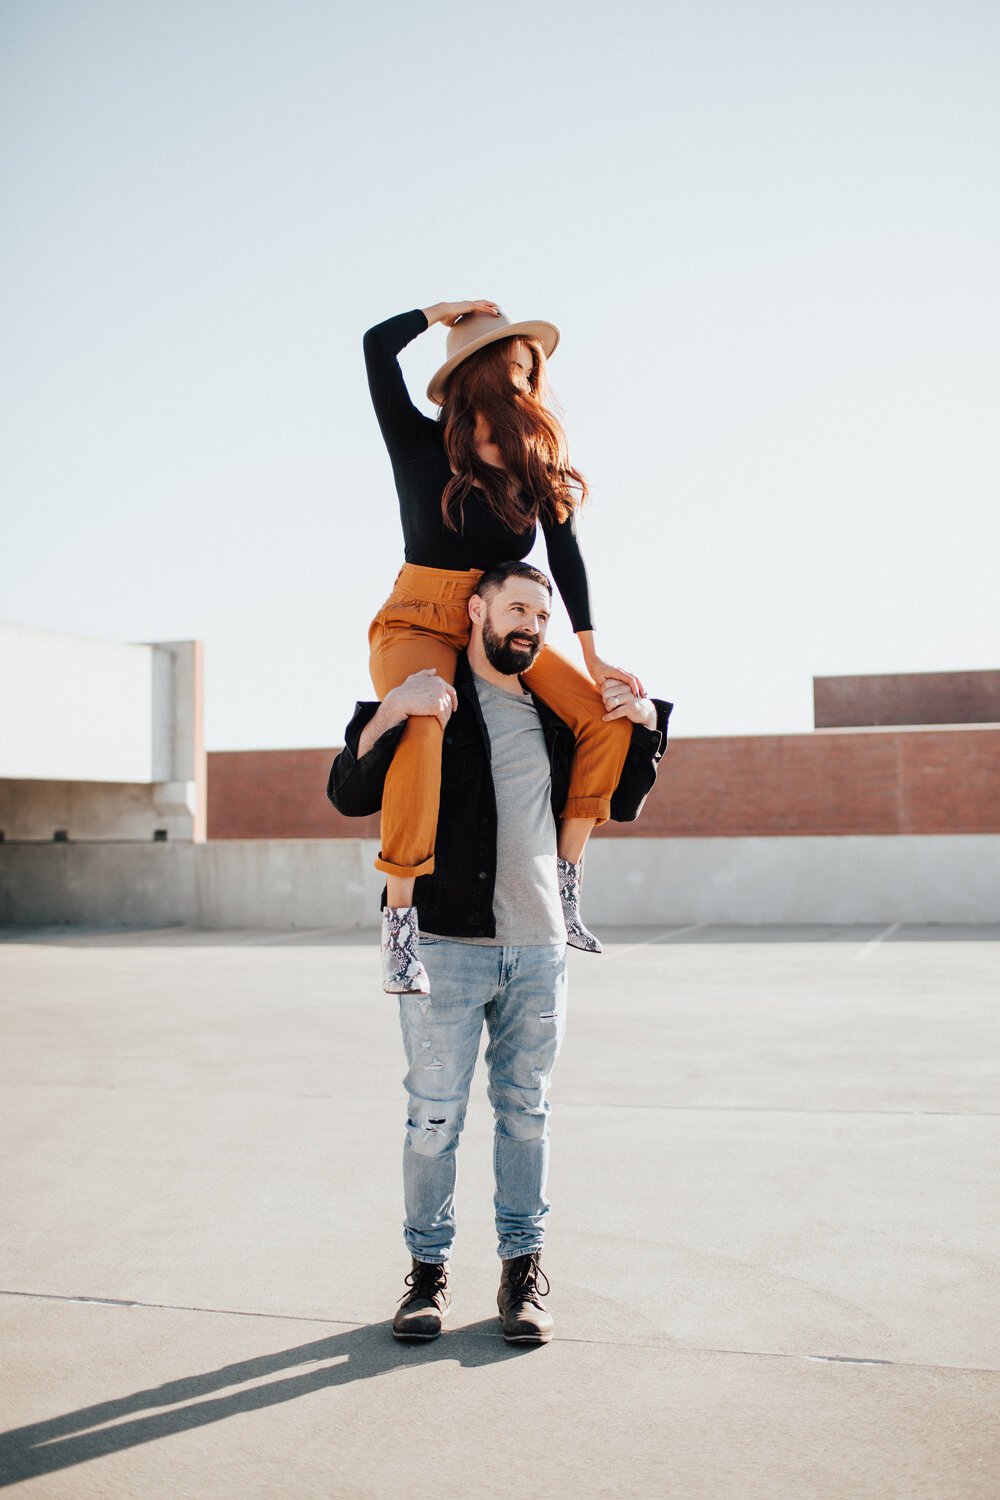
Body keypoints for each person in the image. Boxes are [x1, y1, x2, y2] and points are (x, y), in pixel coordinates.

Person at [328, 560, 672, 1343]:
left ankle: (522, 1275)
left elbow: (620, 797)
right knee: (433, 1120)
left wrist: (647, 721)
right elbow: (347, 792)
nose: (531, 627)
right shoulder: (430, 697)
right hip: (445, 945)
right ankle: (427, 1275)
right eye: (517, 609)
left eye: (542, 618)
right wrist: (390, 712)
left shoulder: (556, 713)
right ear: (476, 611)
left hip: (539, 948)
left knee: (526, 1117)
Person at [363, 299, 645, 995]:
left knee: (607, 716)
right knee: (423, 720)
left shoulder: (532, 463)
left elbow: (567, 557)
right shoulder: (417, 440)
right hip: (418, 621)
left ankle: (564, 884)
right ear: (478, 373)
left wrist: (593, 655)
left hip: (502, 624)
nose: (525, 381)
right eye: (513, 367)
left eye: (530, 370)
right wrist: (440, 313)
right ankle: (400, 925)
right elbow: (375, 345)